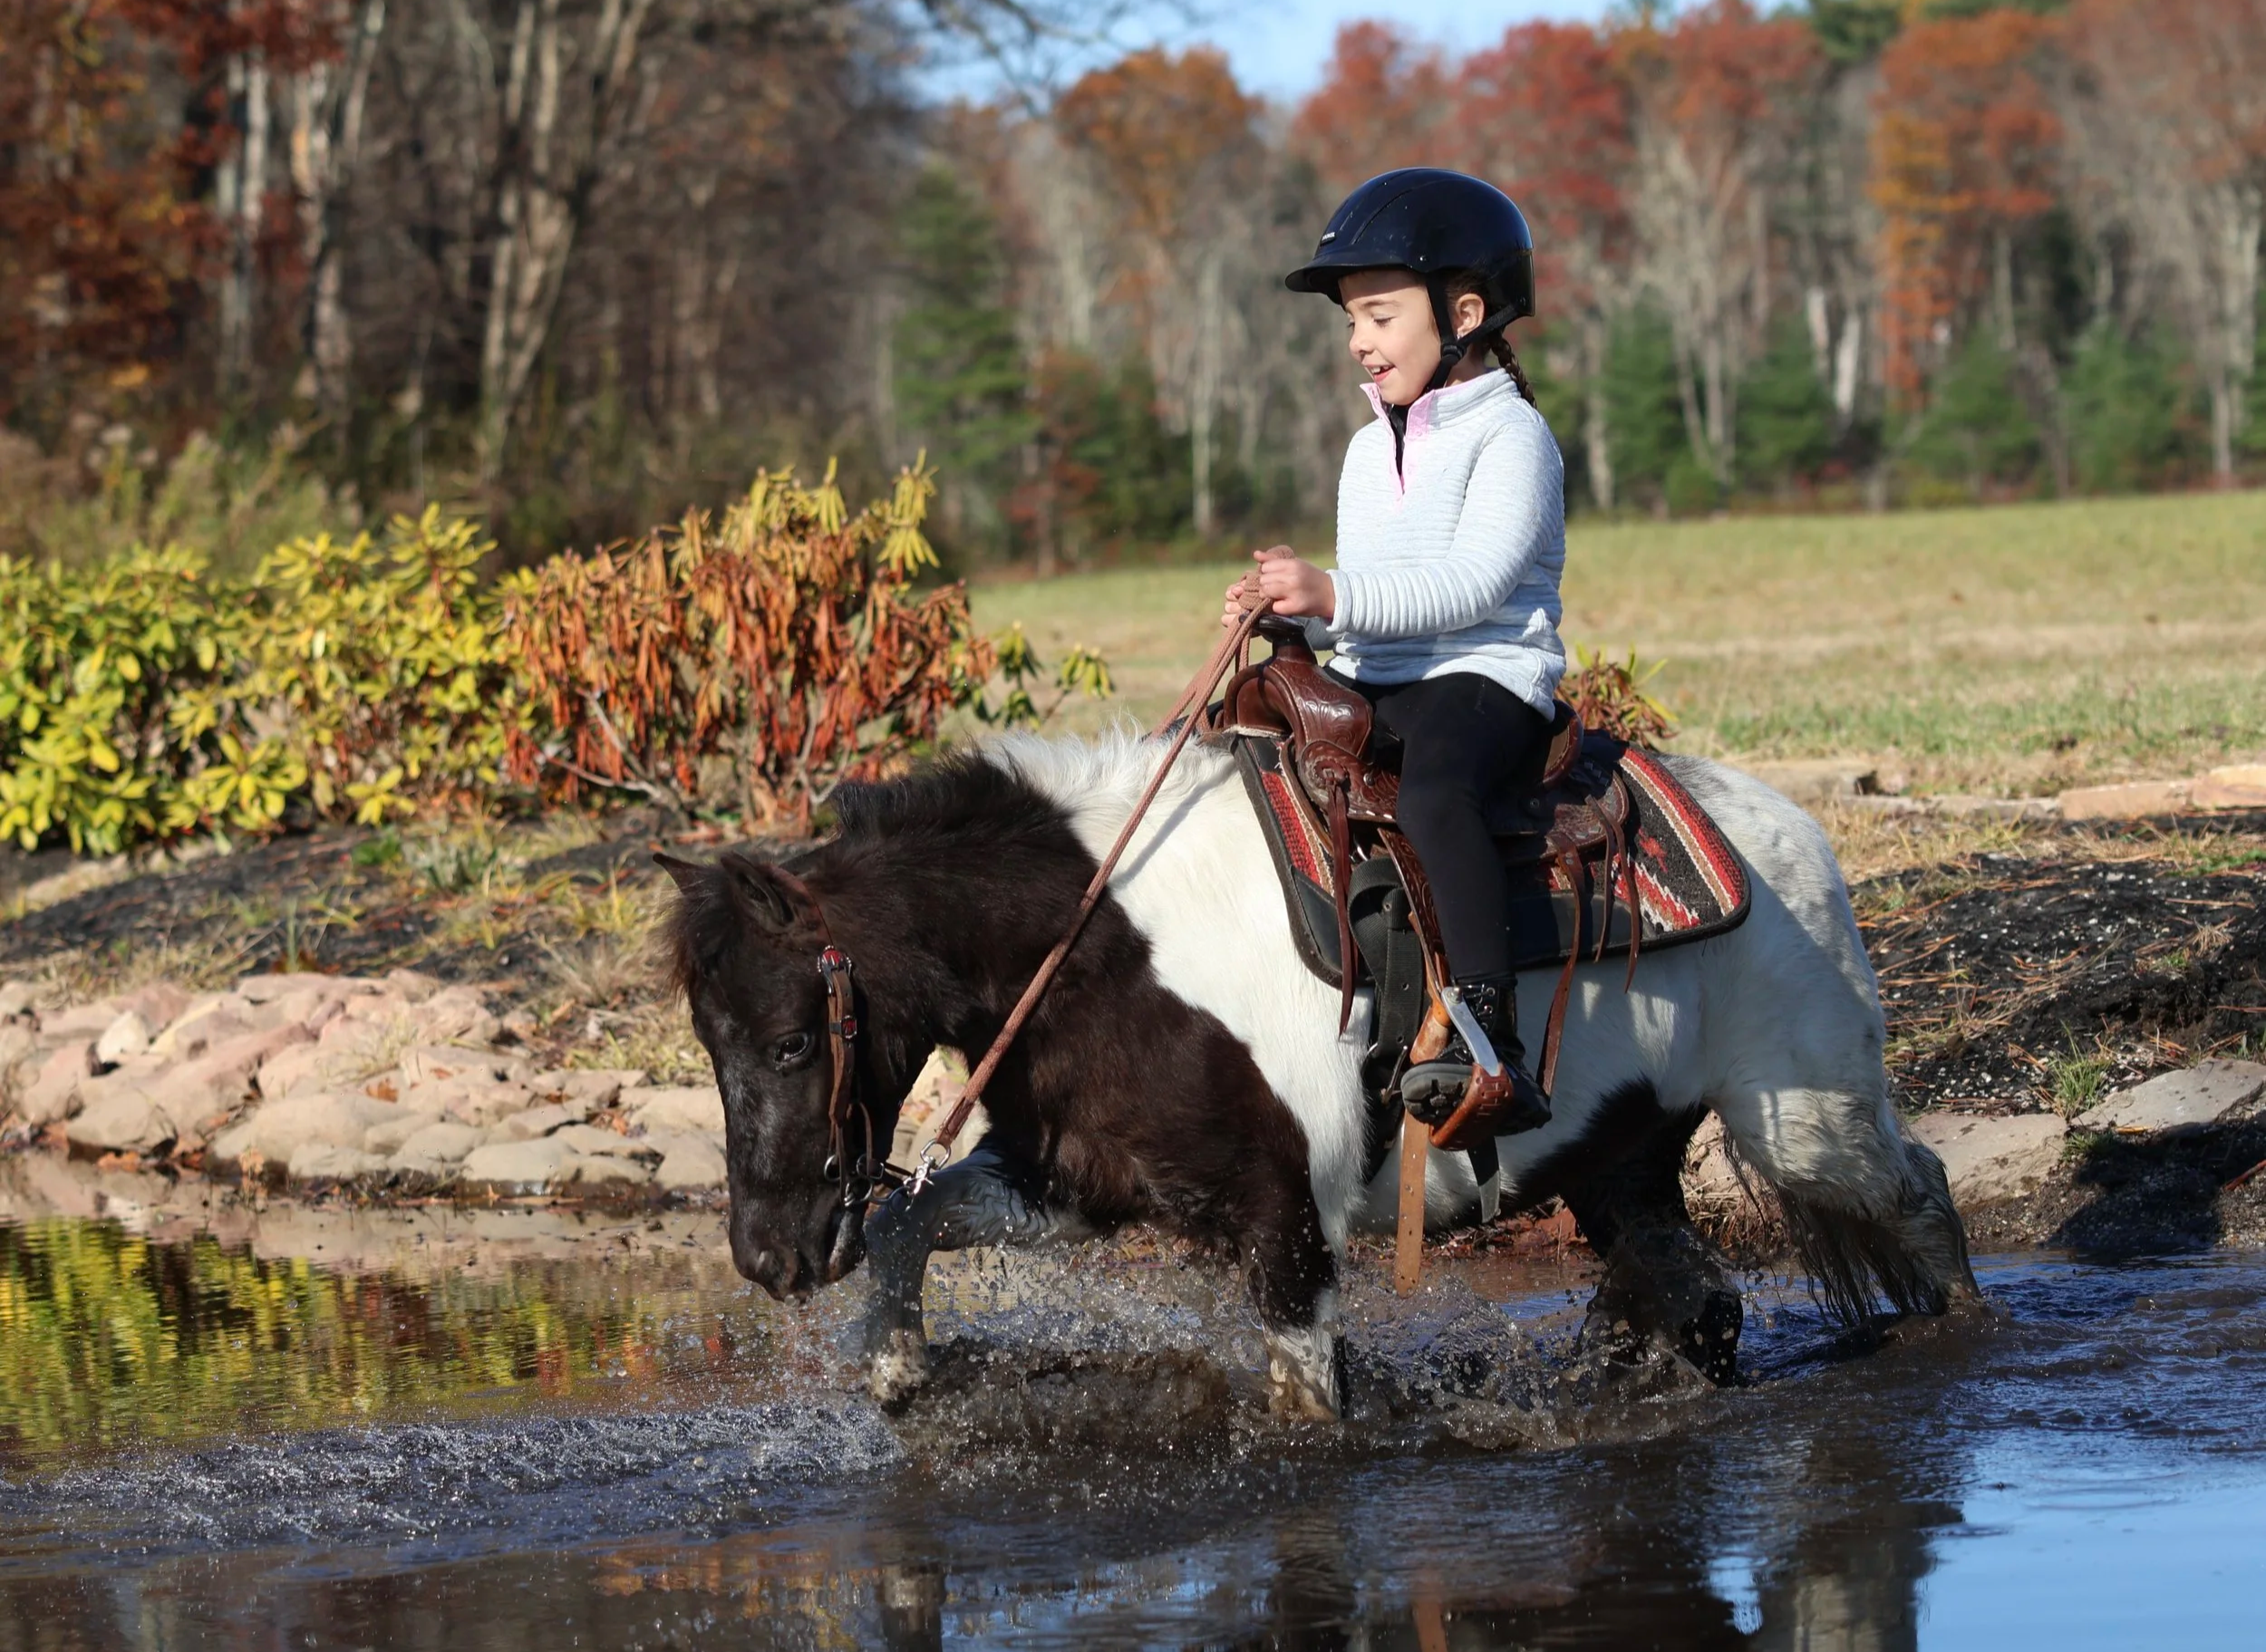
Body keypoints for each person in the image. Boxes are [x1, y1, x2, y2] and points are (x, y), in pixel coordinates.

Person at [1222, 168, 1566, 1145]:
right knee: (1257, 748)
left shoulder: (1513, 435)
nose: (1358, 342)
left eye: (1377, 315)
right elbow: (1369, 609)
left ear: (1463, 311)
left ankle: (1483, 1021)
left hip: (1487, 679)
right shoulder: (1365, 451)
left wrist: (1330, 591)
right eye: (1348, 323)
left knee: (1433, 794)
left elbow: (1470, 589)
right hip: (1387, 678)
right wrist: (1294, 618)